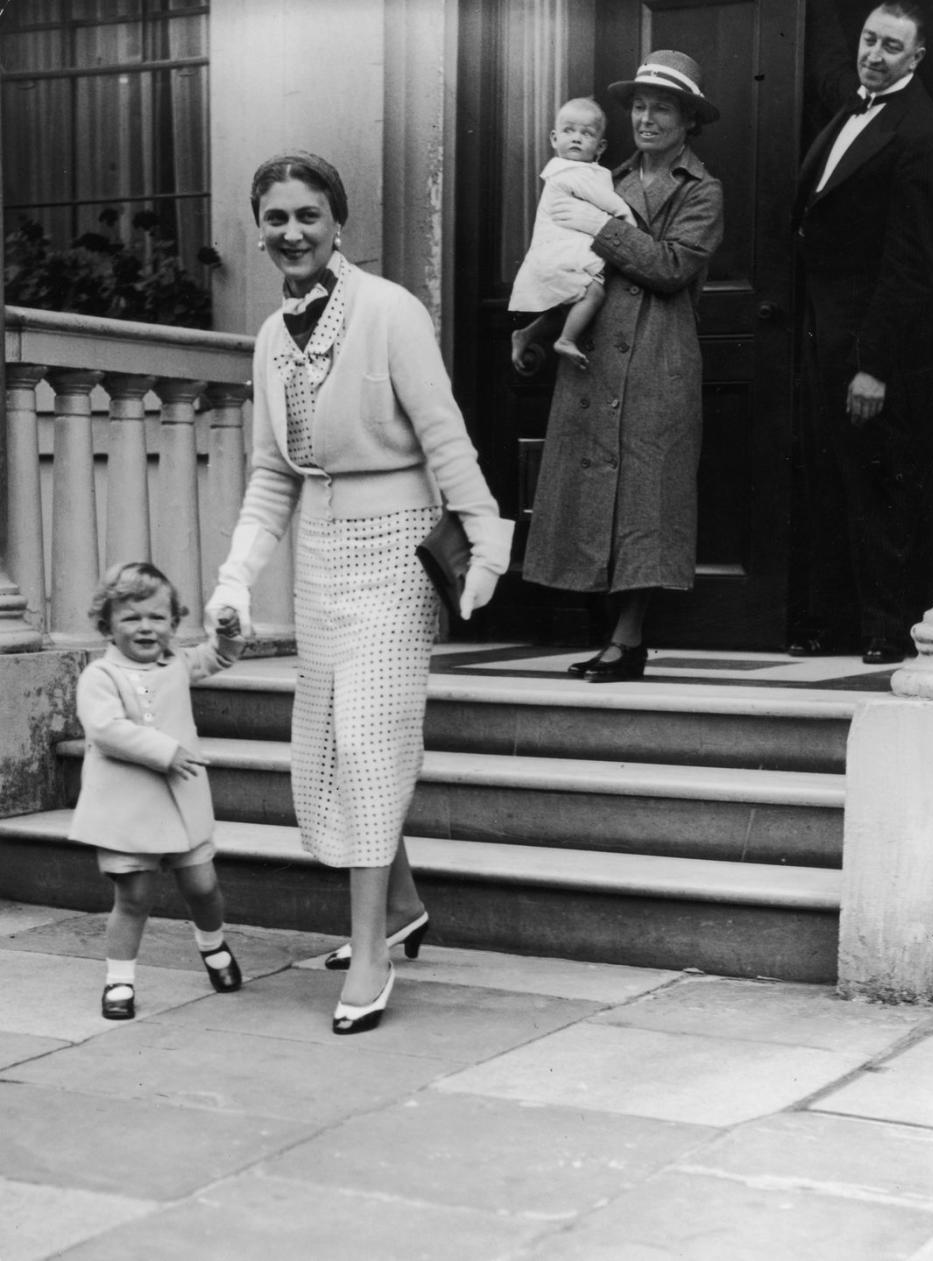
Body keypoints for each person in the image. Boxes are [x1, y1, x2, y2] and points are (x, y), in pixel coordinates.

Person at [205, 152, 513, 1035]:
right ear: (257, 228)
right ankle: (403, 903)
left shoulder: (389, 312)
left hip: (398, 548)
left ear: (339, 222)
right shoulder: (270, 339)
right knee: (337, 744)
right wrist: (235, 578)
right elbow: (273, 474)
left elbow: (447, 437)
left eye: (309, 215)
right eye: (276, 218)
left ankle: (369, 946)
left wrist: (484, 537)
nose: (292, 233)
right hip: (320, 556)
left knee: (372, 739)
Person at [522, 51, 723, 682]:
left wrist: (605, 228)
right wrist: (537, 325)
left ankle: (629, 636)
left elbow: (670, 267)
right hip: (596, 354)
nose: (646, 118)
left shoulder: (703, 190)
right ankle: (611, 634)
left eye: (661, 107)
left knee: (646, 498)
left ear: (688, 120)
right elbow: (569, 262)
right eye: (637, 106)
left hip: (660, 357)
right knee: (595, 492)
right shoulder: (604, 179)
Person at [789, 0, 933, 665]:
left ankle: (885, 630)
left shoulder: (920, 132)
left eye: (890, 47)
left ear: (916, 59)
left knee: (877, 485)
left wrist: (873, 366)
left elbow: (913, 264)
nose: (873, 55)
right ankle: (830, 623)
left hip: (868, 347)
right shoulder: (851, 101)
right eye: (868, 39)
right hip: (819, 333)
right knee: (830, 479)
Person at [69, 561, 246, 1021]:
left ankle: (212, 944)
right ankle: (119, 979)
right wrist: (165, 750)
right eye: (131, 618)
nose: (145, 627)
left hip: (183, 806)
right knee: (134, 897)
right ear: (107, 625)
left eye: (156, 617)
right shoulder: (100, 677)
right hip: (127, 811)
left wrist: (227, 632)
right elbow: (106, 729)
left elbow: (220, 655)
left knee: (203, 886)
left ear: (173, 622)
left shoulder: (179, 663)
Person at [509, 97, 635, 372]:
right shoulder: (570, 173)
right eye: (569, 131)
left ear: (600, 146)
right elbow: (608, 202)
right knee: (593, 293)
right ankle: (565, 340)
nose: (576, 138)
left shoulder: (583, 171)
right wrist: (628, 220)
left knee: (570, 300)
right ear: (554, 139)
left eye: (586, 133)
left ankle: (527, 334)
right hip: (559, 252)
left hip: (560, 249)